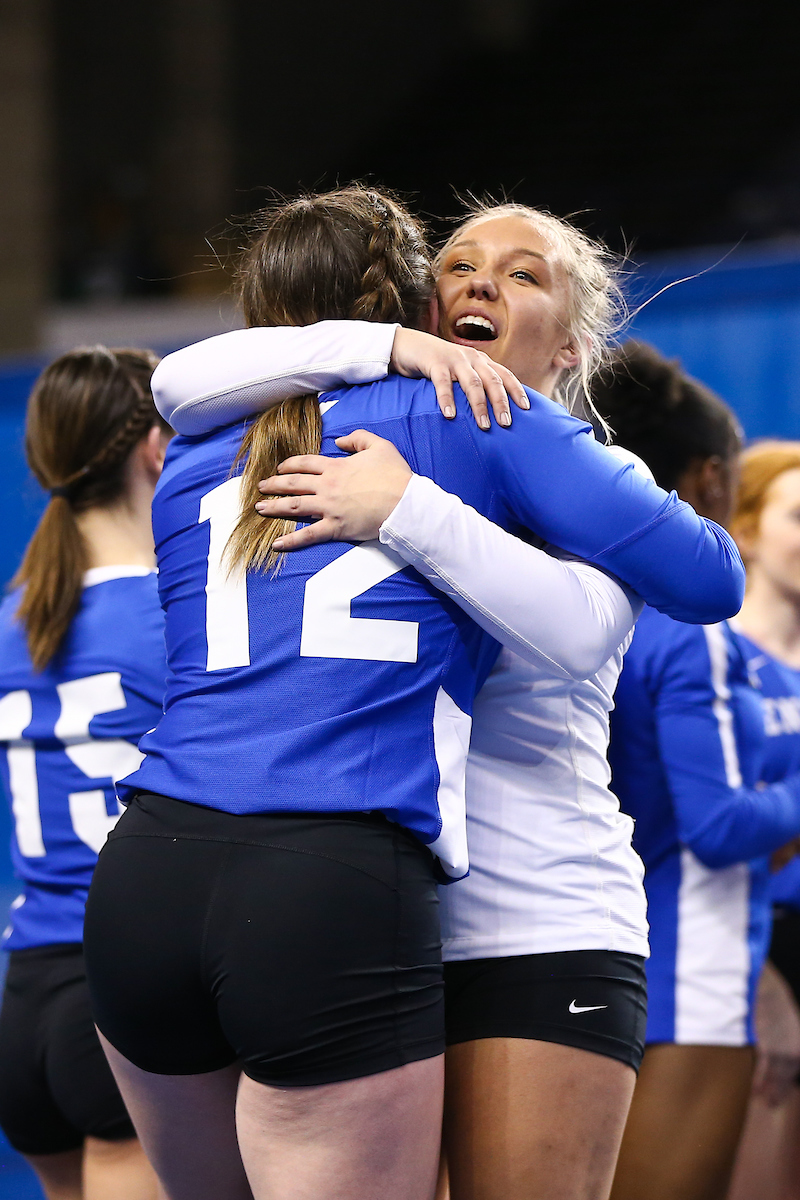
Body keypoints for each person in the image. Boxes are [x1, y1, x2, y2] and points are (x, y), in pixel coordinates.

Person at [143, 197, 743, 1200]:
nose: (479, 283)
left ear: (571, 342)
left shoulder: (592, 470)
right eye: (459, 265)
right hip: (373, 915)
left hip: (533, 923)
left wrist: (407, 512)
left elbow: (597, 627)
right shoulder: (389, 426)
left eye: (522, 275)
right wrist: (384, 348)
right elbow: (178, 379)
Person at [584, 345, 800, 1200]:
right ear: (711, 482)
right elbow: (715, 828)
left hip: (599, 952)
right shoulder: (692, 624)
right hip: (690, 965)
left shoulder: (594, 601)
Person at [0, 347, 170, 1200]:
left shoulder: (15, 620)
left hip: (23, 998)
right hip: (119, 1003)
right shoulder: (182, 615)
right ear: (154, 449)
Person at [723, 442, 800, 1200]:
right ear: (744, 529)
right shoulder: (717, 659)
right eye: (798, 517)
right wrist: (763, 987)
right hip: (756, 940)